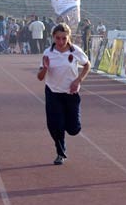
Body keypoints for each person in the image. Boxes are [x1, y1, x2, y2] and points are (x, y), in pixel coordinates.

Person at [37, 23, 91, 165]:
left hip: (71, 94)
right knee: (55, 125)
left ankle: (65, 122)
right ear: (53, 37)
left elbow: (87, 65)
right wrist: (45, 68)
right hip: (53, 92)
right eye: (58, 38)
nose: (61, 42)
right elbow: (40, 77)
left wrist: (78, 80)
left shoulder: (75, 51)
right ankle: (60, 153)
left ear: (68, 37)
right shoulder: (48, 53)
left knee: (74, 129)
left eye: (64, 38)